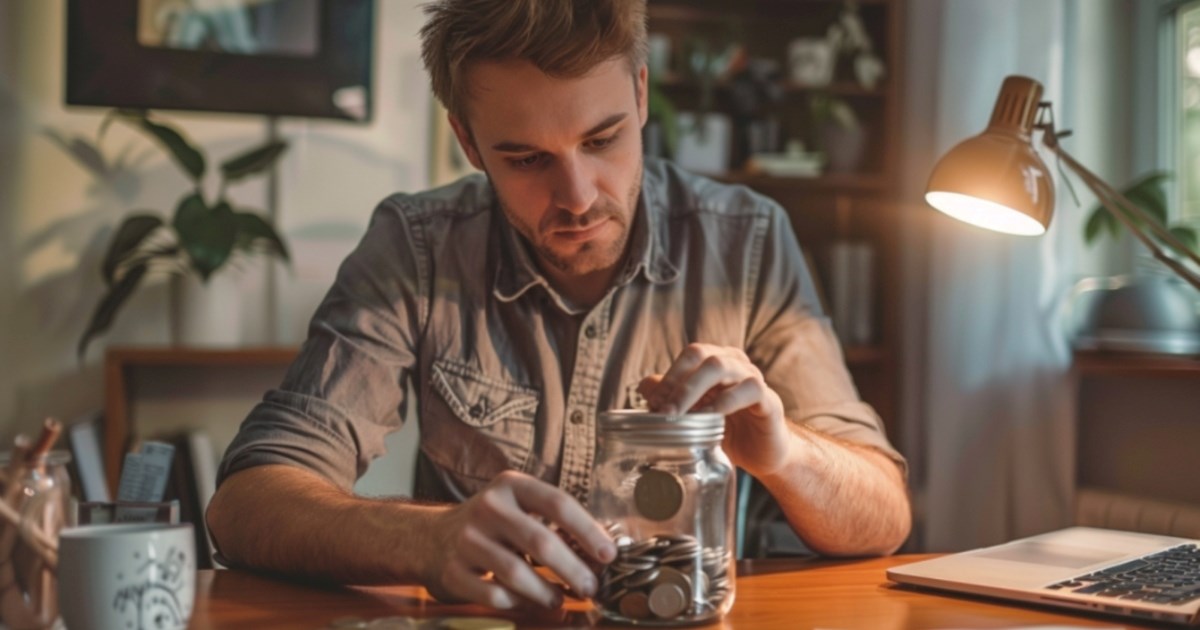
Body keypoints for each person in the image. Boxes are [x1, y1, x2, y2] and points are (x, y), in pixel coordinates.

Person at [206, 0, 911, 612]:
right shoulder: (417, 249)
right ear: (467, 141)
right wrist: (424, 538)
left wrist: (786, 453)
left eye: (602, 140)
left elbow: (884, 514)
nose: (576, 196)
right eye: (526, 159)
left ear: (640, 96)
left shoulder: (748, 241)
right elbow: (244, 504)